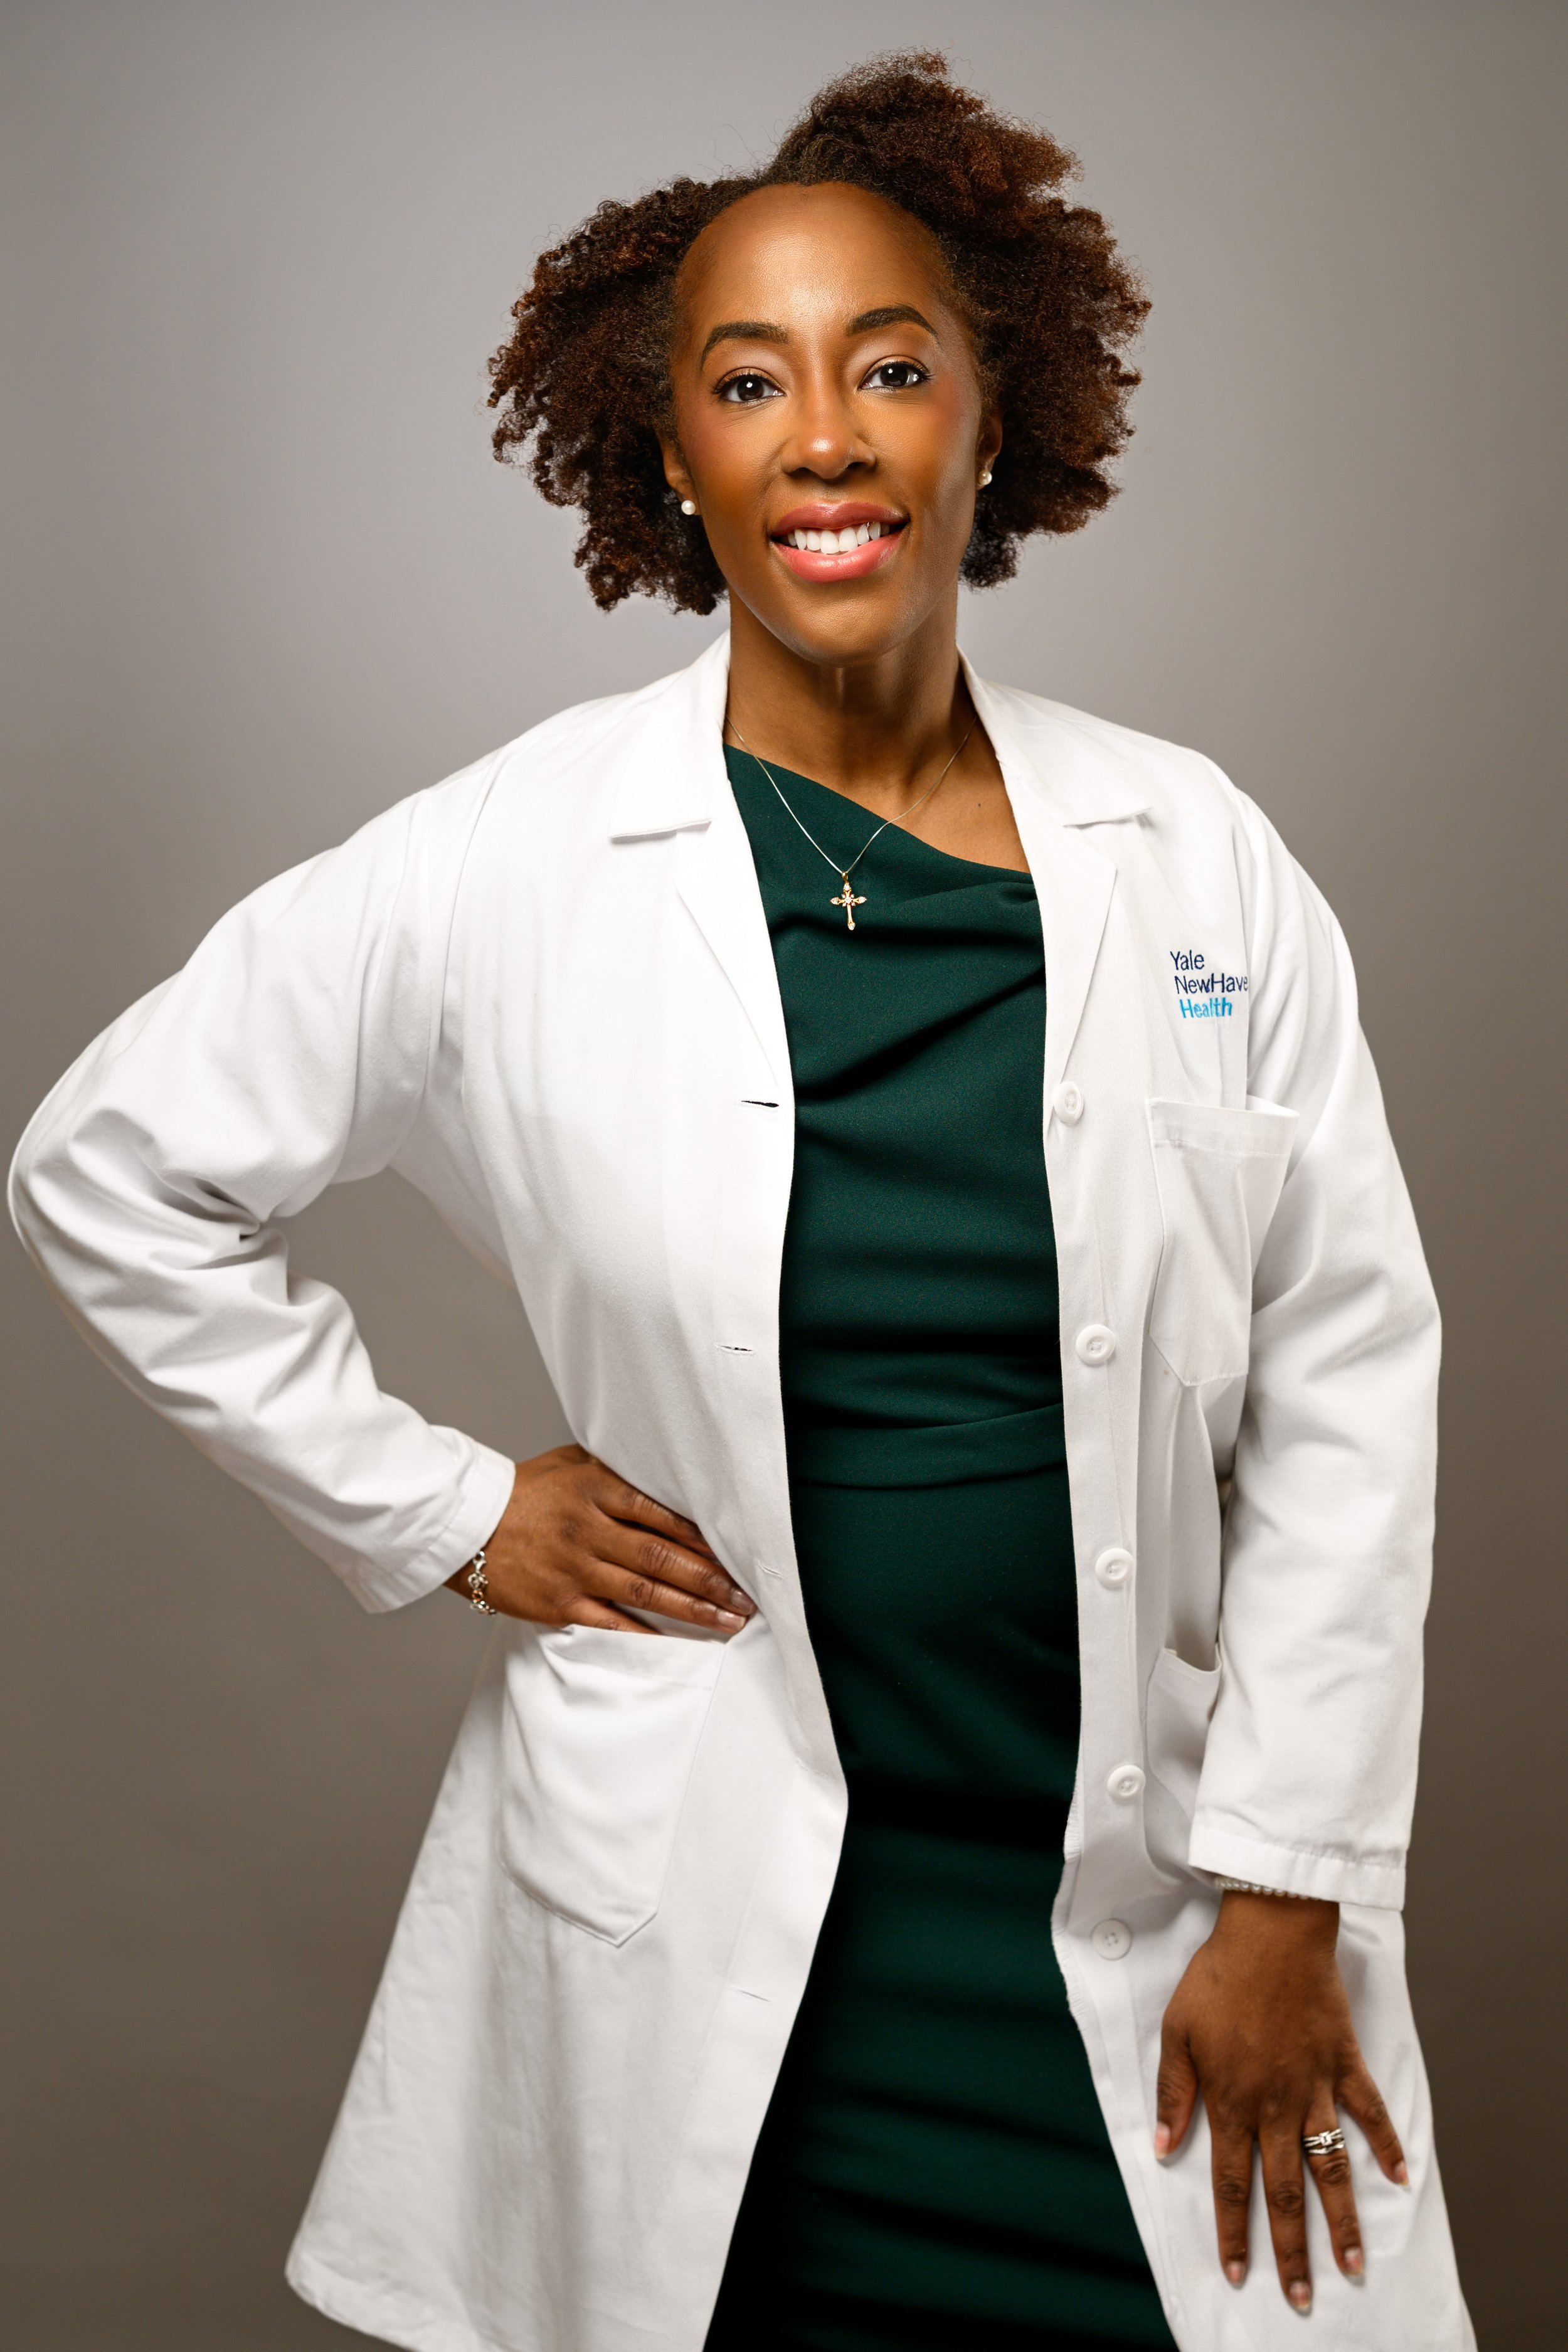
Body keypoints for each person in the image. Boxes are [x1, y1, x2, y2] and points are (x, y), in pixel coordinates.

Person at [9, 51, 1472, 2352]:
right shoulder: (514, 853)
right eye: (747, 380)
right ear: (666, 451)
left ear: (994, 420)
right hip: (713, 1943)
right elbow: (110, 1167)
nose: (826, 434)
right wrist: (448, 1510)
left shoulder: (1193, 856)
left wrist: (1285, 1891)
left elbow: (1348, 1377)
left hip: (1142, 1909)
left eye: (893, 368)